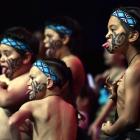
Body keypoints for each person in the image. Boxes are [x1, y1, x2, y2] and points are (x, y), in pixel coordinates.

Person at [9, 58, 77, 140]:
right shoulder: (71, 109)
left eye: (32, 78)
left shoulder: (33, 106)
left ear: (49, 83)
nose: (28, 83)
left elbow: (12, 122)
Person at [100, 7, 140, 140]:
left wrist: (110, 130)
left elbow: (130, 119)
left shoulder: (135, 69)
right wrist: (117, 95)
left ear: (133, 35)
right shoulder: (134, 67)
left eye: (113, 29)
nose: (107, 35)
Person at [0, 26, 39, 139]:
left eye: (7, 54)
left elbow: (6, 100)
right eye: (1, 55)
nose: (1, 59)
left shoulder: (32, 78)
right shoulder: (5, 77)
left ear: (26, 57)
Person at [43, 16, 85, 102]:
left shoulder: (70, 62)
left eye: (49, 36)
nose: (44, 41)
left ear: (65, 39)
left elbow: (51, 93)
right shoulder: (65, 61)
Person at [88, 50, 126, 140]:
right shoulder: (106, 73)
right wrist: (97, 85)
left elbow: (112, 100)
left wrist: (97, 123)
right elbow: (98, 97)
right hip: (101, 113)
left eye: (109, 52)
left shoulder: (123, 73)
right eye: (104, 52)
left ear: (122, 55)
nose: (105, 54)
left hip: (112, 115)